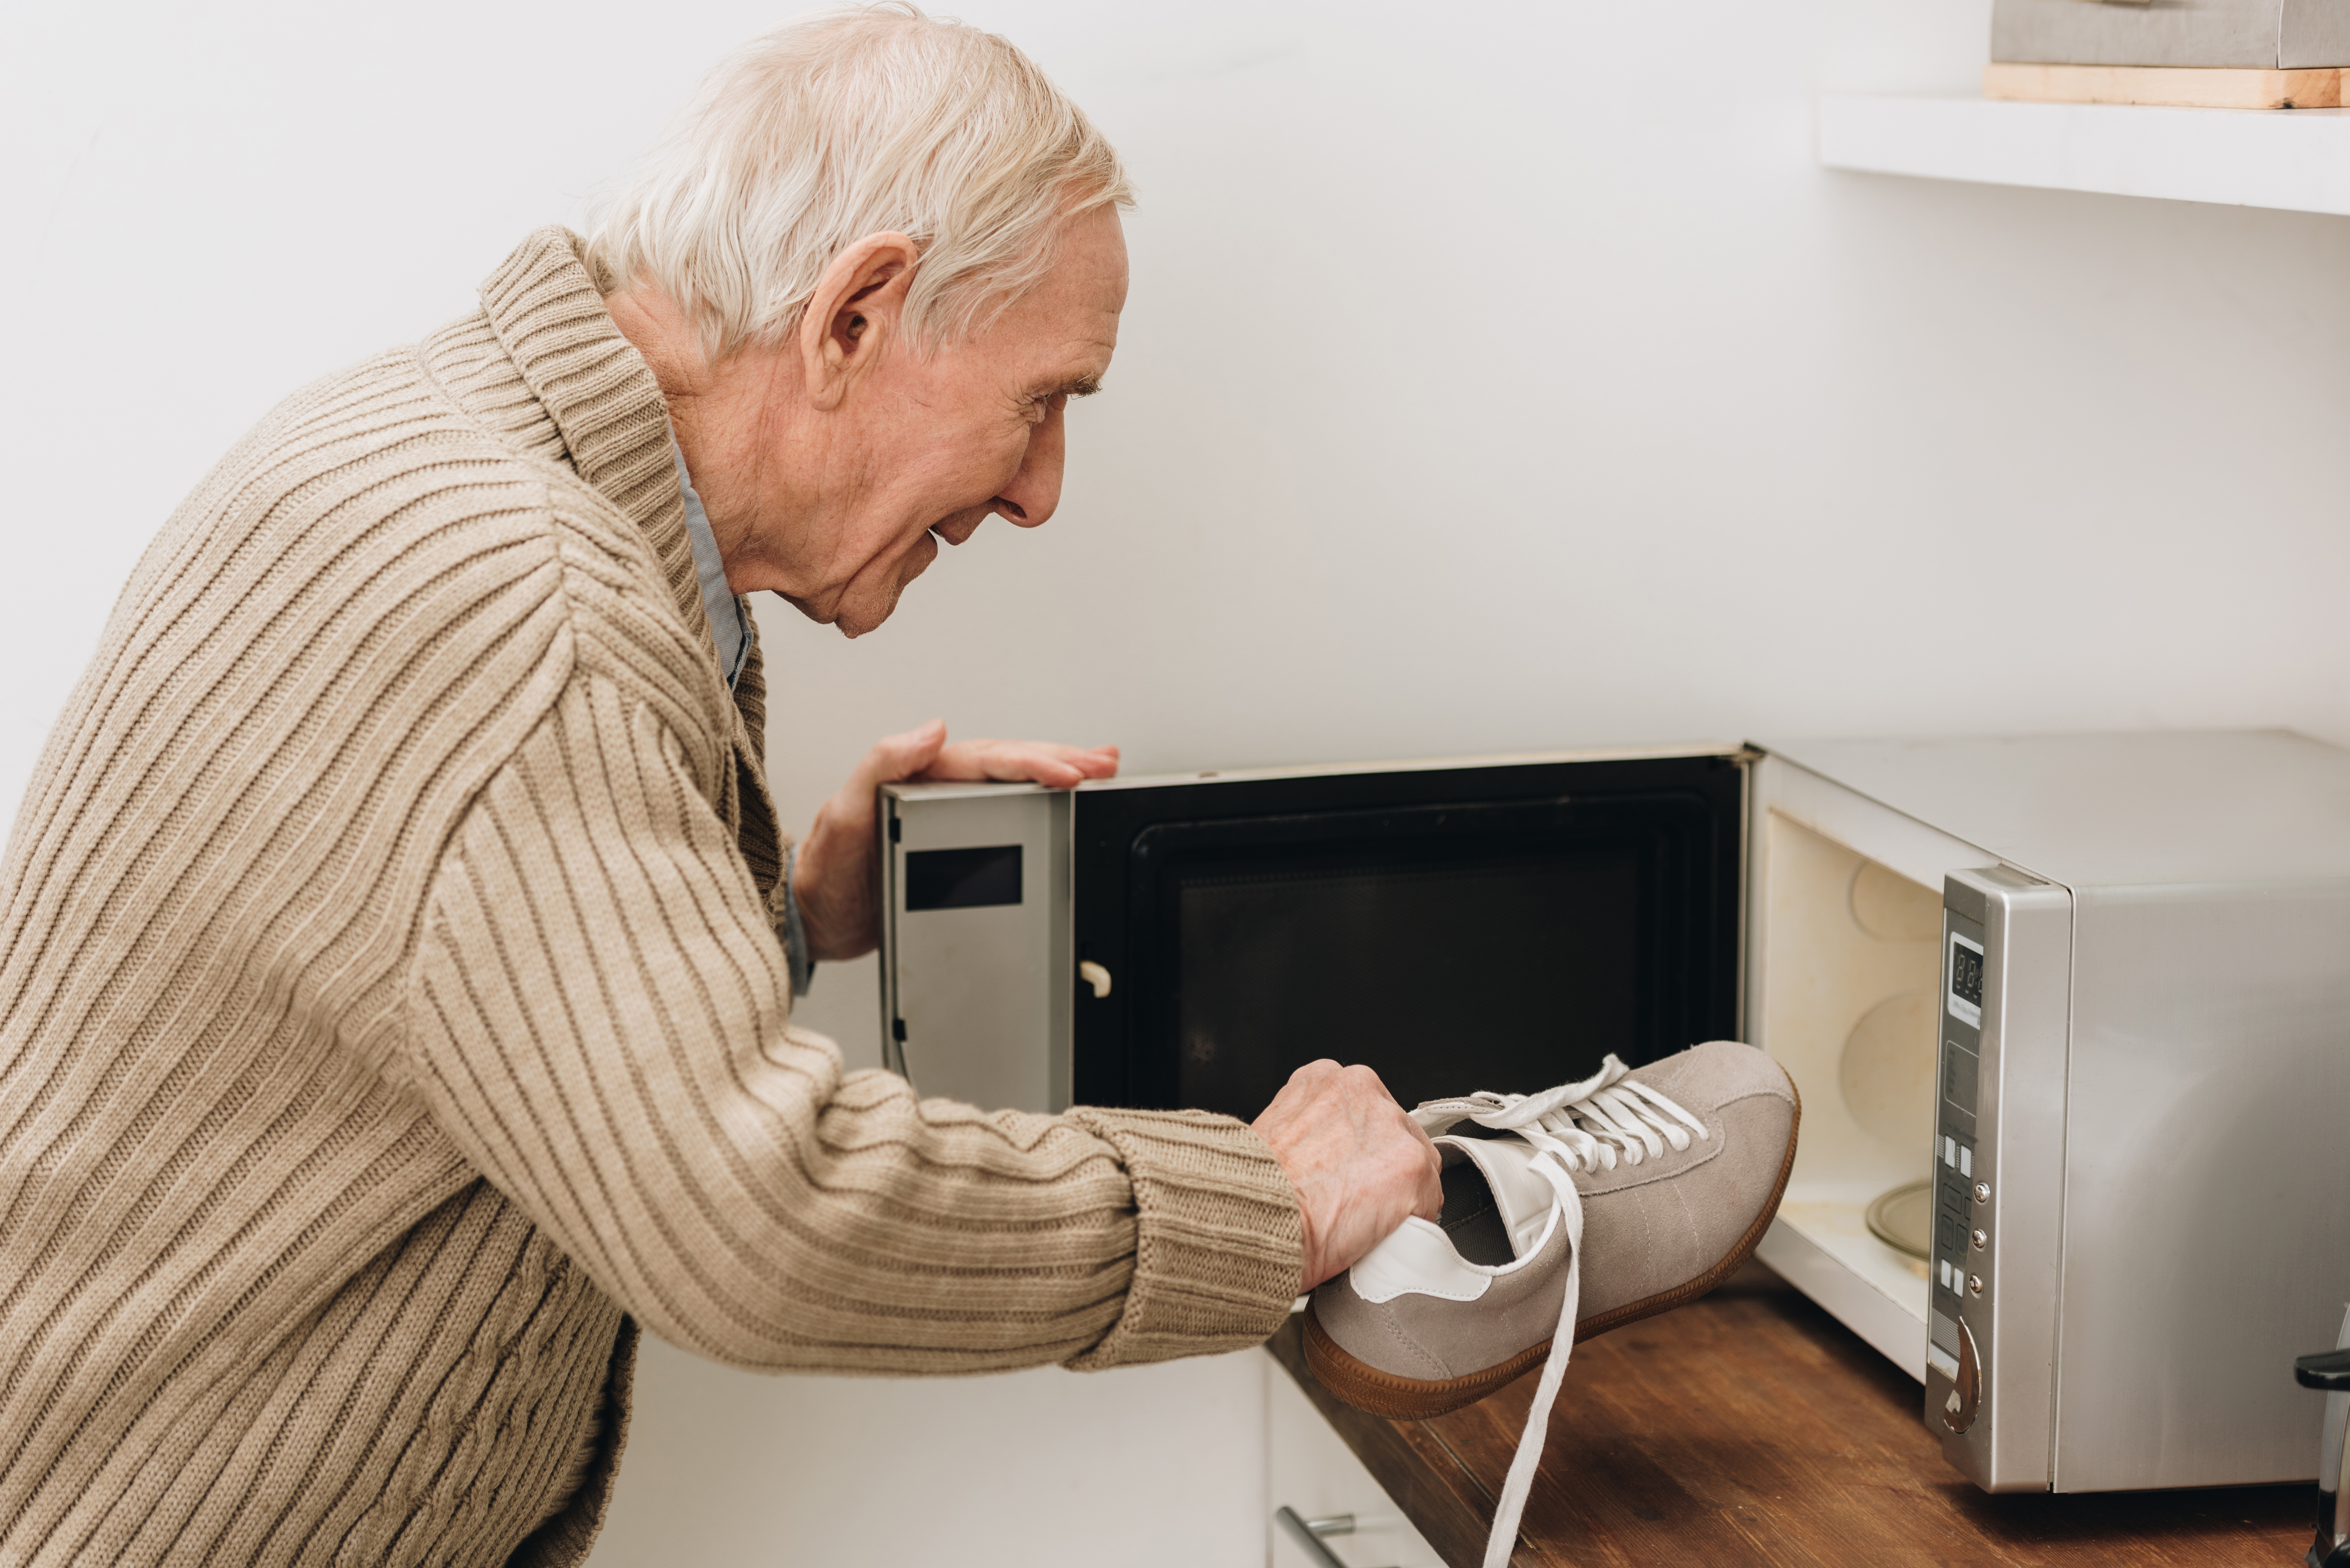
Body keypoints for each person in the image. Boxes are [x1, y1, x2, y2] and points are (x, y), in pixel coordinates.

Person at [0, 9, 1441, 1566]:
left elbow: (467, 1002)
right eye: (1044, 399)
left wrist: (785, 919)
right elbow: (759, 1213)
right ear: (856, 315)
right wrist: (1265, 1206)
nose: (1040, 492)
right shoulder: (528, 612)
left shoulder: (446, 455)